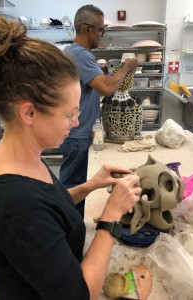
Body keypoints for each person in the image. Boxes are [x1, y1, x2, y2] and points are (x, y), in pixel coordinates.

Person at [0, 16, 141, 300]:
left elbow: (48, 208)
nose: (75, 122)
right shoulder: (16, 203)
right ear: (30, 113)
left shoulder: (17, 153)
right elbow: (80, 295)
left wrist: (89, 186)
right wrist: (110, 216)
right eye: (70, 114)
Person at [59, 4, 138, 218]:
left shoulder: (75, 53)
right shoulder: (81, 54)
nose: (102, 35)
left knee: (77, 186)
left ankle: (70, 226)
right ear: (87, 29)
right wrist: (127, 67)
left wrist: (105, 74)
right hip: (77, 135)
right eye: (100, 29)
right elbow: (105, 87)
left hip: (78, 133)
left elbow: (96, 88)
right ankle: (68, 232)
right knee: (73, 188)